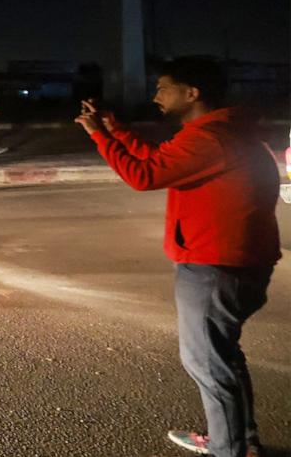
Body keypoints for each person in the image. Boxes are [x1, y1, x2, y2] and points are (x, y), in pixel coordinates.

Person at [74, 57, 279, 457]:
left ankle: (227, 448)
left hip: (215, 266)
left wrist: (101, 137)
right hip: (234, 261)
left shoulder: (211, 138)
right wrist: (117, 131)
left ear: (192, 93)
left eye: (163, 87)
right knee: (223, 358)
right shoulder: (217, 131)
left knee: (207, 363)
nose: (155, 96)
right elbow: (159, 162)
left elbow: (143, 176)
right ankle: (241, 439)